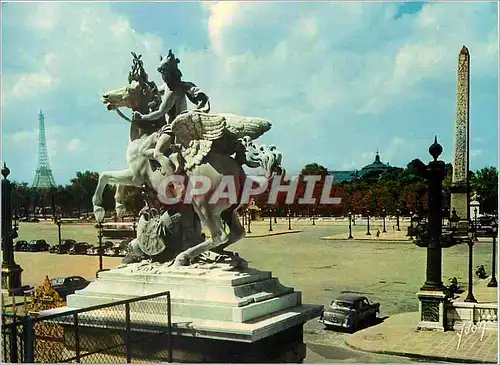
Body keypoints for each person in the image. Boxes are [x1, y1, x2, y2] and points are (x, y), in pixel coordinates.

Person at [132, 49, 210, 174]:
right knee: (143, 150)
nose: (162, 76)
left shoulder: (173, 91)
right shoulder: (168, 86)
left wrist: (142, 117)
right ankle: (171, 159)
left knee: (157, 153)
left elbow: (160, 112)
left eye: (164, 73)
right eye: (161, 73)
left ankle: (176, 182)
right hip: (172, 126)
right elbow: (154, 89)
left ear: (171, 73)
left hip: (174, 128)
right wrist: (141, 78)